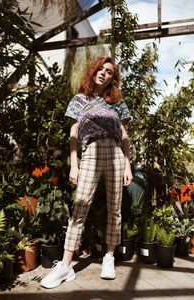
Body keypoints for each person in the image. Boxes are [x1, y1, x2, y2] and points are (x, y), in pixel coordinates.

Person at [40, 56, 133, 289]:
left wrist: (128, 164)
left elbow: (124, 135)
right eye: (100, 69)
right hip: (90, 152)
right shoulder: (79, 100)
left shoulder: (117, 103)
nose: (103, 73)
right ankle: (65, 266)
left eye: (109, 71)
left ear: (113, 77)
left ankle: (109, 257)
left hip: (115, 154)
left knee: (115, 208)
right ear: (93, 71)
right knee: (80, 206)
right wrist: (74, 163)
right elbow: (73, 132)